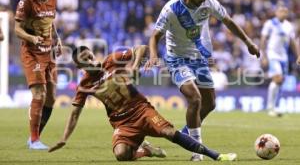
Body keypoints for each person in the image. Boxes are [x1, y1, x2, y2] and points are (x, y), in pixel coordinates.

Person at [48, 45, 237, 162]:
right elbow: (74, 114)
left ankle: (215, 155)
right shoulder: (84, 86)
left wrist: (134, 66)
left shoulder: (111, 60)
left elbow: (141, 48)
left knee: (169, 133)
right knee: (121, 155)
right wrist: (64, 138)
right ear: (80, 68)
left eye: (90, 56)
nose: (91, 60)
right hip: (122, 123)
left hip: (142, 110)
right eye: (85, 61)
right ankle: (146, 150)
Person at [144, 0, 260, 161]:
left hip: (199, 59)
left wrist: (248, 42)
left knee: (210, 104)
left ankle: (185, 134)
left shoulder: (208, 1)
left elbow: (228, 21)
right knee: (195, 99)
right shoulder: (171, 9)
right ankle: (197, 152)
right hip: (178, 59)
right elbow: (155, 36)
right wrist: (154, 55)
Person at [14, 0, 61, 150]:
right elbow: (17, 29)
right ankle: (34, 140)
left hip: (48, 53)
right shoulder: (26, 2)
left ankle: (35, 137)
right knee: (39, 94)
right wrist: (31, 37)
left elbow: (51, 23)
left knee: (51, 98)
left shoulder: (53, 0)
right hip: (32, 53)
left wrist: (57, 39)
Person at [260, 3, 300, 117]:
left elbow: (292, 42)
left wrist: (298, 55)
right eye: (281, 10)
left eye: (286, 11)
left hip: (284, 57)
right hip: (273, 55)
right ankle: (270, 107)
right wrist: (264, 56)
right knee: (277, 78)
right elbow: (263, 39)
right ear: (276, 12)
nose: (284, 13)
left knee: (281, 82)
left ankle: (275, 106)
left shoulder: (288, 26)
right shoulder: (270, 23)